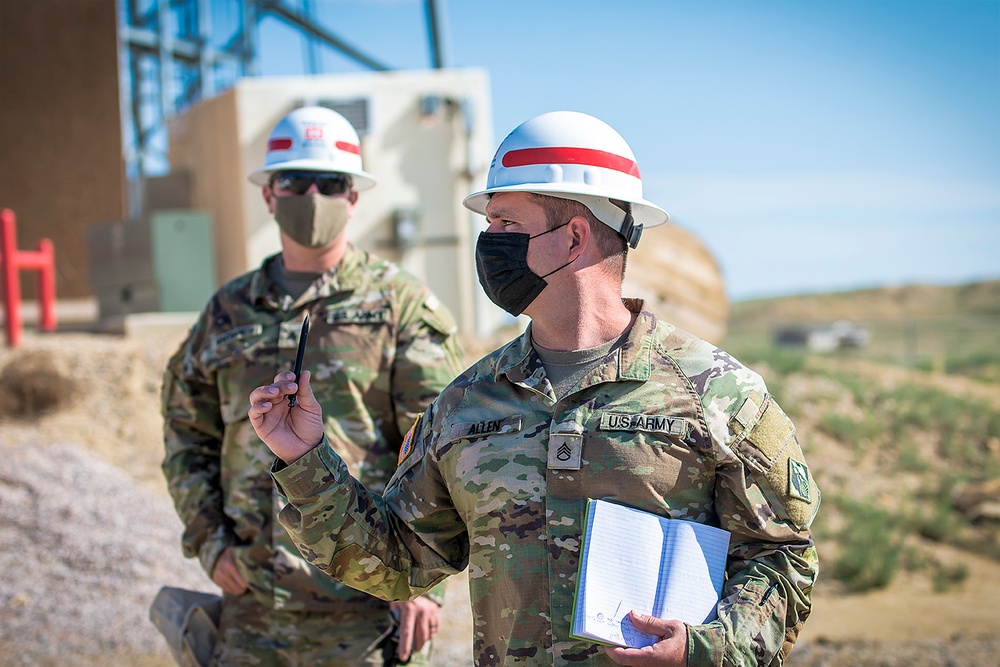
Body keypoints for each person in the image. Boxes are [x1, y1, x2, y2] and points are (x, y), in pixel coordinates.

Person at [247, 111, 821, 666]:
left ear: (574, 238)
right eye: (488, 224)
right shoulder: (464, 404)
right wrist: (303, 460)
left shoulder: (718, 395)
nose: (488, 242)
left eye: (507, 225)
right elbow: (399, 561)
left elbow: (779, 560)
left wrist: (706, 651)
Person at [161, 105, 464, 666]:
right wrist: (209, 538)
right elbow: (185, 433)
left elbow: (439, 449)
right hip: (254, 608)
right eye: (294, 181)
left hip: (367, 602)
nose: (312, 195)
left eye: (330, 183)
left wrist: (425, 582)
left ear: (353, 197)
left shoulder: (401, 306)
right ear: (268, 194)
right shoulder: (226, 311)